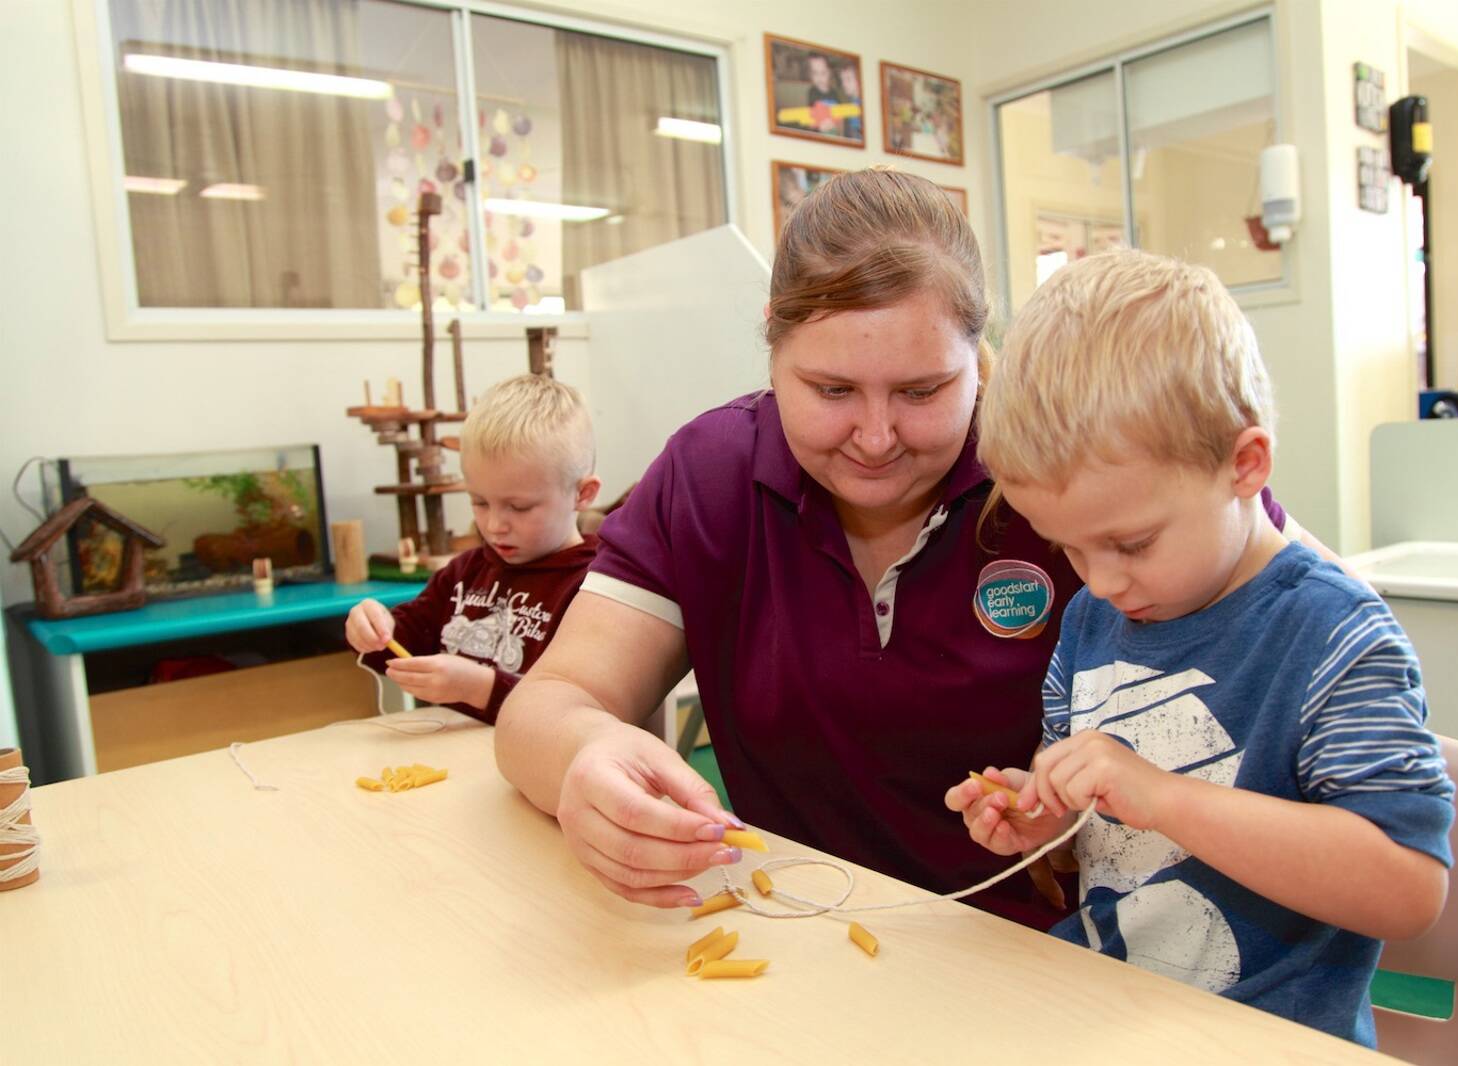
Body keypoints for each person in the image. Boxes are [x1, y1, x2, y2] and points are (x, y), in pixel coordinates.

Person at [494, 169, 1317, 929]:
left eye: (924, 391)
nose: (877, 437)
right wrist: (584, 754)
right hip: (798, 934)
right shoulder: (708, 476)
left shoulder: (1071, 465)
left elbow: (1319, 623)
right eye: (832, 390)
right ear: (772, 350)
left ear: (979, 362)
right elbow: (547, 704)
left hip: (1060, 961)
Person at [946, 250, 1454, 1045]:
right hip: (1108, 1020)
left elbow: (1409, 889)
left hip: (1267, 1040)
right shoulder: (1090, 620)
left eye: (1132, 543)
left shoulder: (1334, 636)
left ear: (1245, 466)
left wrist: (1163, 798)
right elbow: (1099, 840)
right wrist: (1048, 817)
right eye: (1070, 548)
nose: (1101, 580)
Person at [345, 374, 601, 724]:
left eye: (519, 507)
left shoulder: (596, 589)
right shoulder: (465, 571)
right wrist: (373, 630)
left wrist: (481, 688)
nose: (494, 525)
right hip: (452, 753)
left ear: (582, 494)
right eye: (479, 502)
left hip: (537, 754)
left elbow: (584, 710)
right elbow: (404, 643)